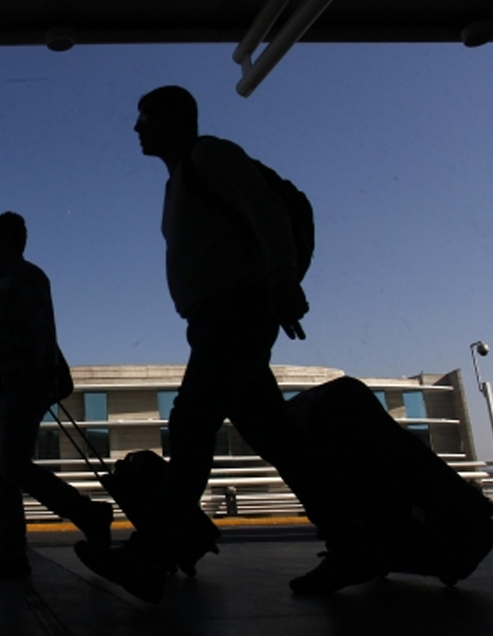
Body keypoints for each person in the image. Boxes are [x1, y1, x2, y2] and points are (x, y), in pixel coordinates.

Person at [76, 86, 377, 601]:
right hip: (216, 318)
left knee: (192, 424)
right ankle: (356, 542)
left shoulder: (209, 154)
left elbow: (265, 210)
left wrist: (282, 278)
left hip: (237, 312)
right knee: (276, 438)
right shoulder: (177, 182)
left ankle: (150, 557)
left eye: (145, 117)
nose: (136, 128)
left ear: (176, 117)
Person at [0, 211, 113, 579]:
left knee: (12, 466)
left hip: (21, 386)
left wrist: (34, 387)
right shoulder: (5, 282)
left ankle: (88, 515)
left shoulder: (29, 278)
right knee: (0, 469)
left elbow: (42, 334)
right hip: (6, 389)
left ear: (9, 239)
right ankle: (13, 551)